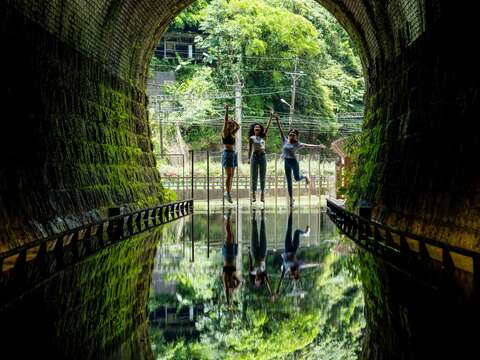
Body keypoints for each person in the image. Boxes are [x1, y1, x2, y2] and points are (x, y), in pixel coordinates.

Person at [274, 114, 326, 207]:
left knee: (297, 178)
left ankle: (305, 176)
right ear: (289, 135)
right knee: (288, 181)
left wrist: (318, 146)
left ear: (296, 136)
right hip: (286, 162)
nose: (291, 135)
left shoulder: (298, 144)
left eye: (293, 134)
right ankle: (291, 199)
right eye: (290, 134)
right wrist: (277, 120)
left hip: (294, 162)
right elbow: (280, 130)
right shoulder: (284, 140)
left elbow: (307, 145)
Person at [273, 209, 312, 300]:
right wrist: (318, 263)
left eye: (292, 275)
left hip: (287, 248)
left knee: (289, 229)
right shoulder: (298, 265)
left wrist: (277, 290)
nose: (293, 273)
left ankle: (290, 211)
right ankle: (305, 234)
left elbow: (280, 280)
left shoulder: (285, 269)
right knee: (297, 232)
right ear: (297, 273)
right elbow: (307, 263)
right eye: (295, 274)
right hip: (294, 248)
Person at [247, 109, 273, 203]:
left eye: (258, 127)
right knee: (254, 176)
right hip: (254, 157)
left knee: (262, 176)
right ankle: (253, 194)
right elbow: (250, 149)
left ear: (260, 129)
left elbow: (268, 127)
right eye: (255, 127)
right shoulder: (251, 138)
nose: (257, 128)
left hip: (263, 157)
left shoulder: (263, 136)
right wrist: (248, 158)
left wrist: (270, 117)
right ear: (253, 129)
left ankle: (262, 194)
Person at [248, 208, 273, 295]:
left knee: (254, 232)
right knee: (263, 232)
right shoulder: (263, 271)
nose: (257, 280)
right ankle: (262, 215)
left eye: (256, 281)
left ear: (254, 279)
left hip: (254, 252)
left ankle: (254, 213)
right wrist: (271, 293)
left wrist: (249, 252)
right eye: (259, 281)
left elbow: (250, 262)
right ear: (261, 279)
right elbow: (268, 282)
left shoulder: (252, 271)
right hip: (262, 252)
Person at [222, 209, 242, 306]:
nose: (231, 284)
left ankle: (227, 217)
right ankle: (227, 218)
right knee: (231, 235)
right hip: (233, 254)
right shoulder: (234, 277)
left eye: (230, 286)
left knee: (229, 234)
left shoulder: (225, 278)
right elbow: (239, 282)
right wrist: (235, 288)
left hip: (227, 254)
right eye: (231, 285)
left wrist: (228, 300)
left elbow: (226, 289)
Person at [221, 103, 240, 204]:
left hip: (233, 154)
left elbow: (238, 126)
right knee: (229, 175)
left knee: (232, 175)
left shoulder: (233, 133)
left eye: (231, 125)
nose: (231, 126)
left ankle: (228, 192)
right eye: (229, 124)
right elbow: (225, 122)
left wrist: (234, 121)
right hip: (228, 154)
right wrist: (227, 110)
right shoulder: (225, 132)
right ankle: (228, 193)